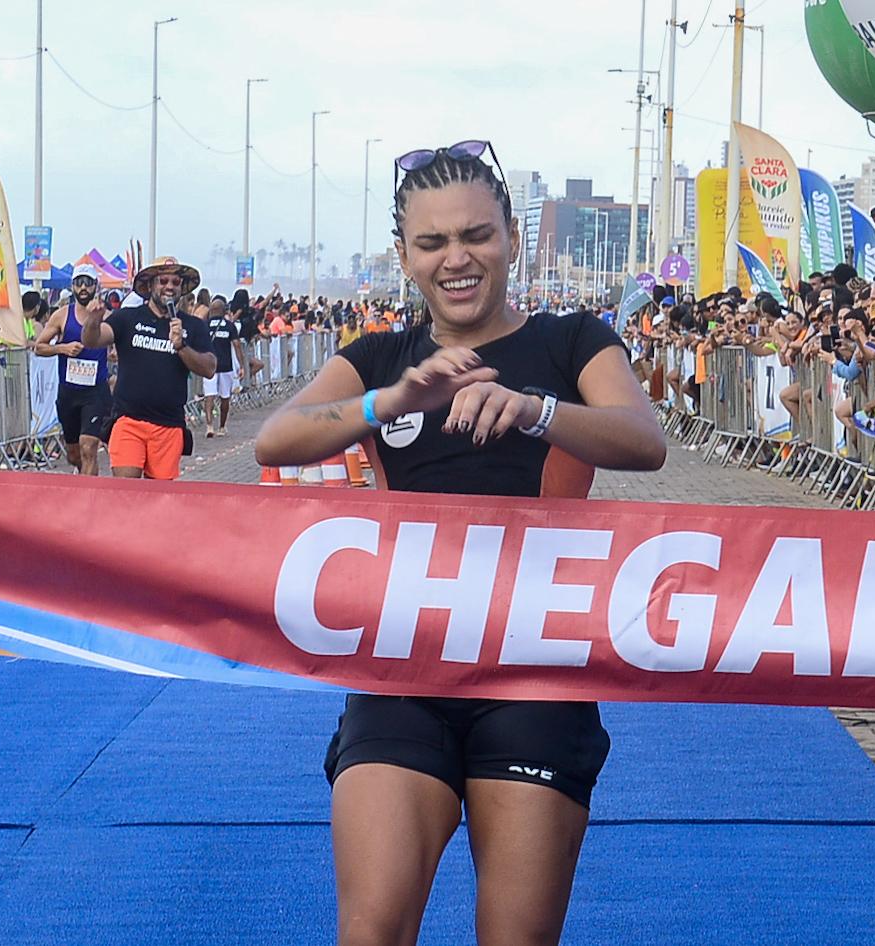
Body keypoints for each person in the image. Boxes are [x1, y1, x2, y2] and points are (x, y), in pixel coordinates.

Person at [256, 138, 665, 946]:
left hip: (535, 670)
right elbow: (276, 438)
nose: (458, 259)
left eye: (476, 235)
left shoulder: (571, 340)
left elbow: (642, 438)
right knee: (370, 931)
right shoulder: (381, 356)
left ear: (511, 235)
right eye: (433, 242)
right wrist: (390, 399)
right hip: (403, 664)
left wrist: (535, 409)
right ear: (402, 254)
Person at [77, 256, 215, 480]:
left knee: (158, 500)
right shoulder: (127, 318)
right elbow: (92, 340)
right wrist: (93, 320)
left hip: (169, 425)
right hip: (129, 420)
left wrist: (181, 346)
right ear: (150, 285)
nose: (169, 286)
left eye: (175, 282)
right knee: (126, 492)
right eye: (163, 281)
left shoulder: (193, 325)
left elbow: (209, 367)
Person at [34, 265, 112, 475]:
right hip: (69, 393)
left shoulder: (106, 316)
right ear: (72, 287)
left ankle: (88, 497)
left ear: (96, 286)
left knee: (89, 448)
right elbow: (39, 347)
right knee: (74, 454)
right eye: (79, 283)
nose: (83, 287)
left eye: (88, 282)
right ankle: (84, 477)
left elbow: (119, 345)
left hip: (95, 393)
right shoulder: (61, 316)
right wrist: (62, 348)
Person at [202, 295, 246, 438]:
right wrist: (241, 365)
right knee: (225, 397)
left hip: (209, 366)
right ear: (223, 310)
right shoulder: (229, 326)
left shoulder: (205, 325)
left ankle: (209, 426)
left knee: (209, 396)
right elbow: (237, 345)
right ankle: (221, 426)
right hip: (226, 366)